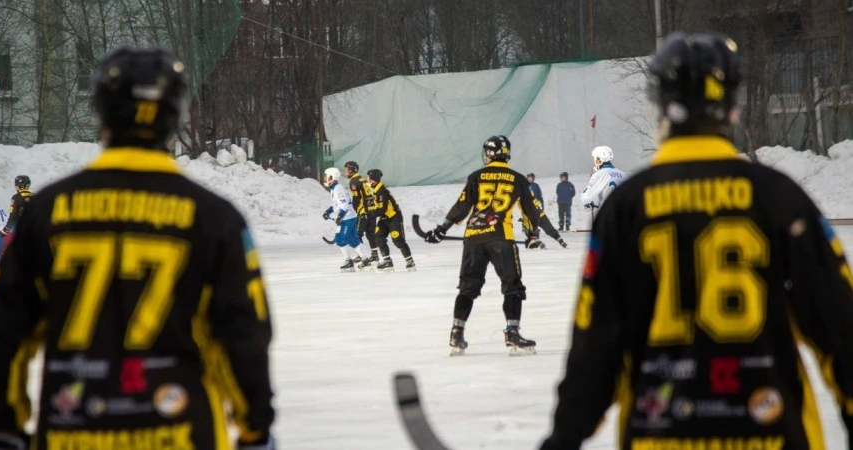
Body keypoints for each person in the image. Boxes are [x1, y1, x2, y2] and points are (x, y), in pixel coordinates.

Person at [539, 32, 853, 450]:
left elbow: (595, 348)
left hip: (659, 438)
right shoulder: (779, 196)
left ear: (660, 106)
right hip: (774, 434)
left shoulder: (628, 207)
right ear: (731, 108)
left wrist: (563, 439)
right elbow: (840, 325)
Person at [0, 47, 277, 450]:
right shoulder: (214, 217)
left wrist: (3, 429)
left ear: (101, 112)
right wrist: (255, 427)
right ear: (175, 114)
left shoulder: (46, 212)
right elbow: (243, 334)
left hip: (71, 434)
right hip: (184, 433)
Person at [424, 135, 541, 356]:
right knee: (512, 286)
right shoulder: (518, 179)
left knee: (467, 288)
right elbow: (530, 210)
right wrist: (532, 234)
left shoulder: (476, 176)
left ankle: (456, 333)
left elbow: (462, 205)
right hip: (501, 238)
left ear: (489, 154)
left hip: (474, 238)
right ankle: (512, 332)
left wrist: (441, 229)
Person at [365, 169, 416, 272]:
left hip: (394, 218)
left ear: (373, 180)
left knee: (398, 241)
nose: (366, 179)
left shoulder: (381, 191)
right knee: (378, 237)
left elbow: (382, 209)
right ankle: (387, 262)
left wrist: (370, 214)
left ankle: (410, 262)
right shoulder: (376, 189)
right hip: (385, 218)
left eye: (368, 178)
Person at [323, 167, 371, 272]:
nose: (325, 178)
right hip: (349, 217)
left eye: (327, 177)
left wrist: (340, 217)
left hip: (347, 218)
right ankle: (365, 259)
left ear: (332, 177)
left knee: (340, 239)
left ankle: (348, 261)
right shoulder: (334, 189)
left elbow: (344, 206)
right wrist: (329, 211)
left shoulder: (337, 189)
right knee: (352, 239)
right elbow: (337, 205)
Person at [344, 161, 379, 264]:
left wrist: (354, 211)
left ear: (352, 170)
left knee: (357, 234)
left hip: (363, 211)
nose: (345, 171)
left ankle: (362, 255)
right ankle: (375, 254)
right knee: (370, 233)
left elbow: (356, 198)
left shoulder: (354, 181)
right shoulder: (363, 180)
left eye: (347, 169)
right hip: (372, 210)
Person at [579, 145, 626, 221]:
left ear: (600, 159)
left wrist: (587, 203)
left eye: (595, 159)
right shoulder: (623, 174)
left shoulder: (600, 174)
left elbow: (587, 195)